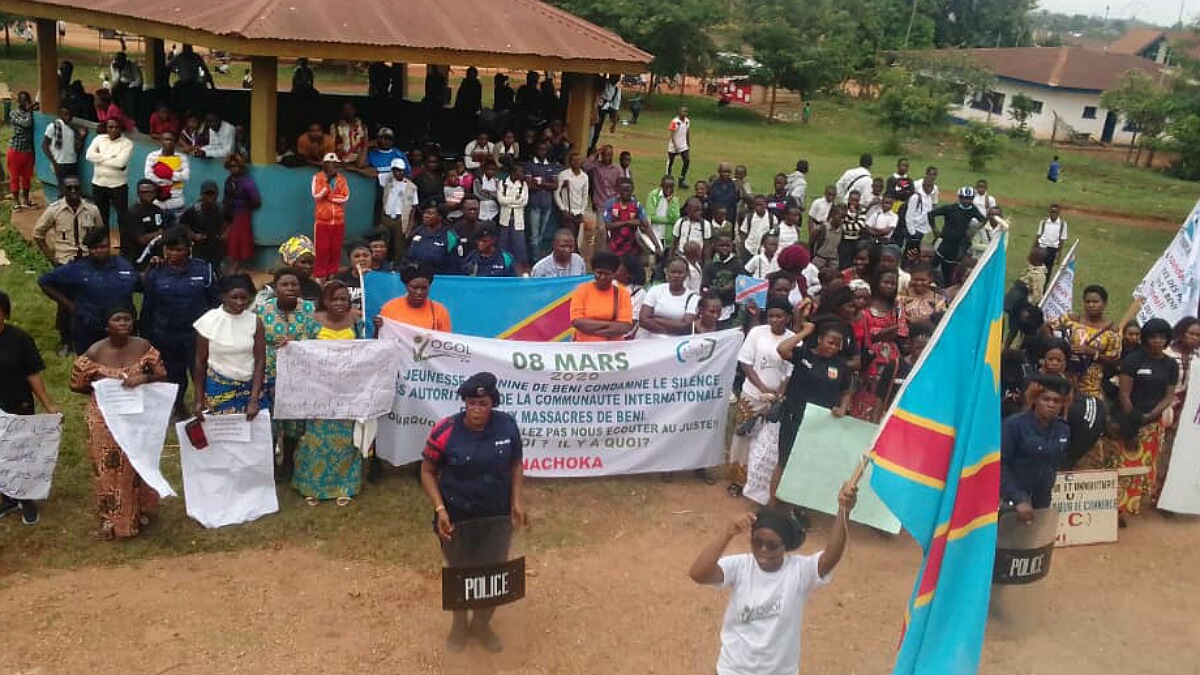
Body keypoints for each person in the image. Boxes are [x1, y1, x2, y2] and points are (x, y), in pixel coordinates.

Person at [688, 491, 857, 675]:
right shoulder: (741, 566)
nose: (763, 550)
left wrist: (843, 510)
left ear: (786, 546)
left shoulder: (799, 571)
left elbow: (831, 557)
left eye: (772, 545)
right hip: (733, 670)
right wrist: (728, 533)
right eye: (756, 542)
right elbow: (698, 574)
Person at [422, 372, 526, 653]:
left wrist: (516, 501)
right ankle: (459, 625)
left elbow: (516, 463)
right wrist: (440, 509)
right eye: (471, 403)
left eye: (483, 403)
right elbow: (427, 471)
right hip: (457, 518)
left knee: (493, 573)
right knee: (460, 572)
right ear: (464, 403)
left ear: (493, 403)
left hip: (496, 517)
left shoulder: (507, 426)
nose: (477, 409)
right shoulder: (444, 430)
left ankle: (482, 624)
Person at [69, 306, 168, 539]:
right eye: (117, 319)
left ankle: (137, 510)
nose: (123, 323)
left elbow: (162, 374)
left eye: (127, 319)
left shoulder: (143, 347)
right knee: (107, 467)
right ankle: (110, 518)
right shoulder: (94, 352)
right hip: (103, 418)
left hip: (135, 415)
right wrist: (104, 392)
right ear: (107, 326)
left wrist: (143, 378)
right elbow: (76, 384)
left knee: (135, 463)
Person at [293, 280, 364, 506]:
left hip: (347, 392)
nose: (340, 303)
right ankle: (313, 486)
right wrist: (288, 347)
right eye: (334, 299)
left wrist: (379, 327)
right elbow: (300, 351)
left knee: (345, 439)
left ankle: (345, 486)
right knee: (316, 439)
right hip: (319, 391)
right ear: (325, 301)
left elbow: (368, 350)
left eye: (344, 299)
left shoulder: (356, 321)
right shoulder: (313, 322)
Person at [775, 315, 853, 504]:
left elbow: (847, 390)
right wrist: (805, 331)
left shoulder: (840, 365)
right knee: (784, 462)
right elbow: (782, 349)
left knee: (809, 466)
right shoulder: (804, 355)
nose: (833, 347)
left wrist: (843, 408)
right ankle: (773, 504)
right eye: (830, 342)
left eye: (838, 345)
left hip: (820, 425)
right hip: (793, 418)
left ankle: (799, 506)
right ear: (820, 339)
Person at [141, 228, 219, 416]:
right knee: (173, 375)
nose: (173, 254)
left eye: (178, 250)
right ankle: (178, 408)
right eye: (169, 249)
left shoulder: (204, 270)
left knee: (201, 373)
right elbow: (148, 306)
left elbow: (215, 302)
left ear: (188, 249)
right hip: (167, 335)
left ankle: (205, 409)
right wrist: (146, 336)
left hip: (197, 336)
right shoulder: (156, 272)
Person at [0, 290, 61, 526]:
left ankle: (26, 500)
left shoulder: (20, 339)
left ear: (4, 313)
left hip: (17, 404)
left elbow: (32, 374)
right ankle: (7, 497)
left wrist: (48, 404)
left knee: (20, 454)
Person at [729, 296, 794, 496]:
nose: (774, 320)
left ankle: (757, 483)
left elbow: (790, 371)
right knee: (742, 436)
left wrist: (779, 393)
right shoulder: (757, 333)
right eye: (771, 316)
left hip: (776, 400)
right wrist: (762, 388)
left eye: (779, 316)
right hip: (752, 394)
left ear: (788, 318)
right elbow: (746, 362)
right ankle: (737, 481)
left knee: (765, 441)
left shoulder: (793, 339)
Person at [1116, 318, 1178, 520]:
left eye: (1162, 337)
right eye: (1153, 337)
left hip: (1153, 422)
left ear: (1167, 339)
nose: (1157, 341)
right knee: (1124, 465)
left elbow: (1169, 395)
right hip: (1130, 419)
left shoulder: (1171, 364)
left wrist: (1151, 415)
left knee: (1144, 466)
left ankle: (1133, 505)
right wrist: (1135, 419)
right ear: (1145, 339)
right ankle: (1118, 509)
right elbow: (1124, 394)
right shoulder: (1133, 360)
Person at [193, 274, 266, 417]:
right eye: (234, 297)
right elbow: (200, 363)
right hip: (218, 389)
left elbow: (260, 361)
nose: (240, 302)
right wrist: (199, 400)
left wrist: (253, 400)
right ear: (224, 296)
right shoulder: (208, 321)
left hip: (250, 388)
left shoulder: (255, 322)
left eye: (244, 298)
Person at [1001, 374, 1072, 522]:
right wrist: (1018, 498)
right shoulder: (1014, 425)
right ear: (1035, 400)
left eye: (1056, 401)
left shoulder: (1063, 429)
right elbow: (1001, 465)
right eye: (1046, 399)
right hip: (1010, 502)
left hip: (1042, 502)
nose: (1051, 404)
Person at [1158, 317, 1200, 506]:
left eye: (1198, 335)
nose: (1194, 338)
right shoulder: (1167, 354)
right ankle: (1157, 493)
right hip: (1166, 407)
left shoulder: (1197, 357)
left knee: (1179, 451)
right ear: (1182, 332)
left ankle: (1173, 495)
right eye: (1190, 333)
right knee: (1162, 450)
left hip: (1188, 410)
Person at [32, 175, 104, 268]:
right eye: (69, 188)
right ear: (63, 190)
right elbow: (38, 234)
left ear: (81, 189)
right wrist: (52, 260)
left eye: (76, 188)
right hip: (64, 261)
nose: (73, 191)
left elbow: (101, 235)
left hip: (88, 261)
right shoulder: (54, 210)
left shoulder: (92, 210)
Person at [927, 187, 988, 284]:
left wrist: (973, 230)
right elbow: (931, 214)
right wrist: (935, 229)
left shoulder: (972, 209)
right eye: (964, 198)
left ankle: (945, 287)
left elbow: (983, 220)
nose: (967, 201)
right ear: (959, 197)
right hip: (944, 242)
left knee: (949, 272)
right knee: (932, 267)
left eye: (969, 198)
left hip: (957, 246)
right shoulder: (950, 208)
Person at [570, 251, 633, 342]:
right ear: (593, 271)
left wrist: (591, 328)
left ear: (614, 274)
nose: (602, 277)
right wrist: (610, 324)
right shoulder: (582, 290)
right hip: (584, 346)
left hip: (613, 348)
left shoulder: (623, 294)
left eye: (607, 274)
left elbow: (624, 327)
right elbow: (577, 322)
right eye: (599, 273)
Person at [85, 118, 134, 230]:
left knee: (122, 217)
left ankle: (124, 241)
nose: (113, 130)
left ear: (121, 129)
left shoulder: (127, 143)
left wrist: (99, 158)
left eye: (116, 127)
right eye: (110, 127)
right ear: (106, 128)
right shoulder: (99, 139)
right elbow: (89, 156)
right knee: (101, 217)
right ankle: (104, 240)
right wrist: (110, 157)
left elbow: (120, 163)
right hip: (98, 184)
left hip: (118, 186)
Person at [376, 264, 453, 333]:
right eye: (414, 287)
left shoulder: (439, 311)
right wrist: (377, 329)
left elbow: (445, 341)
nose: (419, 292)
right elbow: (379, 340)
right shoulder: (390, 308)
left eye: (424, 288)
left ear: (429, 287)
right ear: (406, 286)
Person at [638, 258, 700, 339]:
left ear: (687, 274)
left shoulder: (693, 298)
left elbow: (686, 325)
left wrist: (656, 319)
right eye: (673, 272)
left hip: (675, 343)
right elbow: (643, 320)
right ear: (666, 272)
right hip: (648, 340)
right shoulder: (655, 290)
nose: (676, 276)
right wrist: (668, 331)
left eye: (680, 272)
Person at [221, 153, 261, 275]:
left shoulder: (246, 183)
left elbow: (256, 200)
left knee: (238, 243)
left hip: (242, 215)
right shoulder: (229, 181)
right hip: (229, 214)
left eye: (236, 166)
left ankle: (234, 270)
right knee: (228, 240)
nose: (234, 169)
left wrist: (245, 208)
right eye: (231, 166)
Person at [312, 154, 350, 280]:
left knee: (335, 249)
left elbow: (345, 196)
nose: (332, 167)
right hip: (322, 221)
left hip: (338, 221)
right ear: (324, 165)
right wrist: (326, 187)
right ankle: (320, 275)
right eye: (329, 164)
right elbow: (316, 195)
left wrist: (330, 197)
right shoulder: (318, 177)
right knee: (322, 249)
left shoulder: (342, 179)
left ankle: (332, 273)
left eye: (334, 164)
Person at [407, 201, 465, 276]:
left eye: (430, 213)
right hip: (416, 277)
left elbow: (456, 266)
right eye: (425, 213)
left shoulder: (450, 236)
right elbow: (407, 258)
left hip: (440, 278)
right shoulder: (417, 232)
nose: (425, 215)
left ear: (440, 217)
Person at [526, 141, 561, 259]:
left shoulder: (551, 166)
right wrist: (547, 184)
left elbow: (555, 186)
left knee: (541, 234)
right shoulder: (530, 165)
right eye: (540, 149)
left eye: (544, 149)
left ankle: (538, 257)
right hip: (534, 204)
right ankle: (535, 259)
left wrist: (540, 183)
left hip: (547, 204)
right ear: (536, 150)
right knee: (534, 234)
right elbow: (529, 186)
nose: (542, 152)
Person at [179, 180, 225, 270]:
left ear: (217, 195)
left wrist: (223, 234)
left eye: (212, 194)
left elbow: (229, 223)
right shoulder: (194, 210)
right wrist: (194, 235)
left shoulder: (221, 209)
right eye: (207, 194)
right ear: (201, 195)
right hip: (198, 248)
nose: (209, 196)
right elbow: (182, 226)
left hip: (216, 247)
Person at [145, 132, 190, 216]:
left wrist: (167, 174)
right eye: (166, 140)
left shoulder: (182, 157)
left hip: (176, 201)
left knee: (176, 224)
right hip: (158, 201)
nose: (169, 142)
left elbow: (185, 176)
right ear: (161, 141)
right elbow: (149, 176)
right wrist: (173, 177)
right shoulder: (152, 156)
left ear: (175, 142)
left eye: (171, 140)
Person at [7, 91, 38, 211]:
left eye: (27, 100)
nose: (25, 102)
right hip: (16, 150)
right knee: (14, 177)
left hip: (28, 151)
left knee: (27, 177)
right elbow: (26, 123)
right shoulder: (13, 113)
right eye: (23, 100)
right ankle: (16, 203)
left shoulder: (31, 113)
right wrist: (30, 111)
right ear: (18, 102)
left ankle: (26, 200)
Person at [42, 105, 85, 186]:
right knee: (63, 187)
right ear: (59, 114)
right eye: (65, 114)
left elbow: (77, 149)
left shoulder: (73, 128)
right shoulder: (54, 126)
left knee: (72, 187)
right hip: (60, 163)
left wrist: (81, 138)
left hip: (72, 162)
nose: (68, 117)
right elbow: (44, 145)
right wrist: (54, 162)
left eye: (70, 115)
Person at [703, 235, 741, 326]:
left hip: (730, 305)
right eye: (721, 245)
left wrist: (733, 285)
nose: (725, 248)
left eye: (727, 246)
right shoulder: (710, 265)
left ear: (732, 247)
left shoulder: (737, 263)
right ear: (715, 246)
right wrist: (721, 289)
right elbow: (705, 286)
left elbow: (740, 282)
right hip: (713, 306)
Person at [555, 152, 591, 237]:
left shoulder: (584, 177)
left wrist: (582, 211)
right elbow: (556, 193)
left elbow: (585, 196)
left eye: (578, 160)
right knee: (568, 236)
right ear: (570, 162)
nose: (576, 162)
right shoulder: (563, 174)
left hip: (578, 212)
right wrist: (563, 209)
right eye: (573, 160)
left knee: (576, 236)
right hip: (567, 211)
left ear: (581, 162)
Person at [646, 175, 681, 254]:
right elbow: (650, 217)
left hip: (667, 237)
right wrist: (669, 221)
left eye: (671, 187)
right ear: (661, 186)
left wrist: (670, 203)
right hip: (654, 235)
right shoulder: (653, 195)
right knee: (653, 257)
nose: (669, 190)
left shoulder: (675, 200)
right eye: (666, 187)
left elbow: (676, 218)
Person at [1036, 204, 1069, 273]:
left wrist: (1059, 256)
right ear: (1049, 212)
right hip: (1042, 248)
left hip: (1052, 250)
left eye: (1055, 212)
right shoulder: (1044, 222)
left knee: (1047, 270)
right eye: (1052, 212)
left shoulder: (1062, 224)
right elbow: (1038, 236)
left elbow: (1062, 241)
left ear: (1059, 213)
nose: (1053, 214)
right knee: (1037, 270)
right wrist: (1034, 250)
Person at [666, 107, 691, 188]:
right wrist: (675, 145)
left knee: (687, 161)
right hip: (674, 146)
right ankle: (667, 179)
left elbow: (687, 132)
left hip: (683, 145)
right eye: (683, 111)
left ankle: (681, 180)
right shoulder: (675, 121)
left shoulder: (687, 121)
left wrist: (688, 142)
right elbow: (672, 134)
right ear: (679, 112)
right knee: (670, 162)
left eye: (686, 112)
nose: (685, 113)